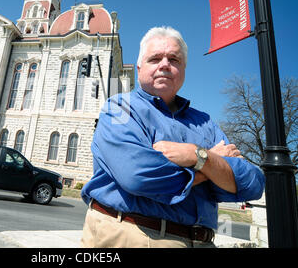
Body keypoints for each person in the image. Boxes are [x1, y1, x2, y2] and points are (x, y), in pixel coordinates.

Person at [80, 26, 265, 248]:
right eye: (155, 58)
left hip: (203, 241)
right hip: (135, 234)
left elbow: (251, 183)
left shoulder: (205, 123)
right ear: (139, 68)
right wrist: (213, 165)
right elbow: (138, 176)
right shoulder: (118, 108)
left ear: (183, 69)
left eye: (174, 59)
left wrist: (195, 155)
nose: (165, 64)